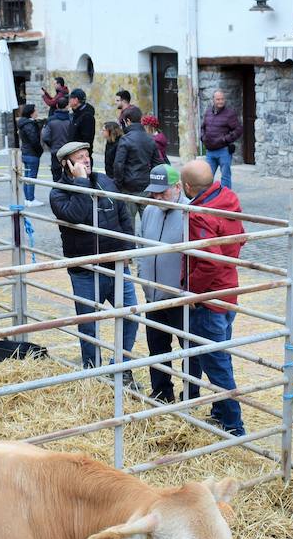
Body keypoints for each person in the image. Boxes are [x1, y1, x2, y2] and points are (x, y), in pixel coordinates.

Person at [48, 141, 138, 379]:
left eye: (87, 155)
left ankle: (120, 366)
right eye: (79, 157)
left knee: (131, 316)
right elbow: (76, 214)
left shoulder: (105, 181)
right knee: (90, 324)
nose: (86, 160)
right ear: (67, 164)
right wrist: (80, 183)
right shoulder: (58, 193)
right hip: (85, 269)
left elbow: (123, 215)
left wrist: (128, 249)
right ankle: (93, 372)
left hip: (116, 264)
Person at [181, 159, 246, 436]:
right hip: (228, 290)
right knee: (220, 355)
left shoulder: (199, 214)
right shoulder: (227, 197)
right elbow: (240, 237)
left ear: (186, 186)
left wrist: (192, 292)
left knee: (215, 362)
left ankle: (233, 426)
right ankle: (220, 412)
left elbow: (209, 260)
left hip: (209, 297)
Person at [137, 164, 187, 403]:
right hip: (153, 296)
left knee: (189, 349)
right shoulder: (149, 211)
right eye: (153, 192)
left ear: (178, 188)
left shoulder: (190, 213)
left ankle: (191, 393)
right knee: (156, 348)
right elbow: (141, 245)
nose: (157, 197)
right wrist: (144, 279)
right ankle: (161, 393)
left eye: (162, 192)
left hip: (179, 296)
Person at [199, 90, 243, 190]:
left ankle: (225, 200)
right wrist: (203, 138)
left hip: (224, 151)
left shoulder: (229, 113)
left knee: (225, 177)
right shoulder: (208, 112)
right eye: (218, 99)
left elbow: (239, 129)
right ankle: (206, 200)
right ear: (213, 100)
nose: (220, 101)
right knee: (206, 177)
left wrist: (225, 139)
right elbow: (203, 127)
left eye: (222, 99)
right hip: (210, 151)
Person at [112, 105, 157, 196]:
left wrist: (118, 185)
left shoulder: (125, 139)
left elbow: (119, 165)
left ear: (128, 121)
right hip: (146, 184)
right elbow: (157, 163)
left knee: (128, 210)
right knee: (147, 210)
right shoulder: (150, 139)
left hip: (128, 186)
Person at [40, 96, 73, 181]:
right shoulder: (71, 120)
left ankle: (57, 192)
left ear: (57, 106)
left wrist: (51, 145)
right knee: (69, 174)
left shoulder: (50, 120)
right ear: (67, 106)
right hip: (68, 151)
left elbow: (45, 136)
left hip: (55, 151)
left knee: (56, 176)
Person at [17, 103, 43, 207]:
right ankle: (30, 199)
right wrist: (40, 150)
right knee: (31, 177)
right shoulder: (29, 125)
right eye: (35, 111)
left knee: (27, 177)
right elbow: (34, 140)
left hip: (25, 152)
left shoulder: (23, 123)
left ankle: (28, 198)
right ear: (31, 113)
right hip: (32, 153)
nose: (37, 112)